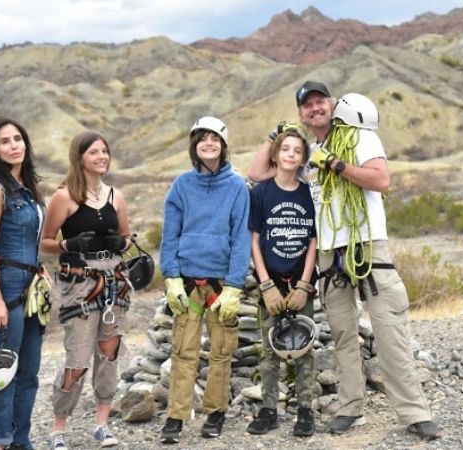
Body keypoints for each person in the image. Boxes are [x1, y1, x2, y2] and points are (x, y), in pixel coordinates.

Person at [247, 81, 443, 441]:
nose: (315, 108)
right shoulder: (306, 153)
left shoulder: (358, 136)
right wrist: (273, 135)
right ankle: (351, 408)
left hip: (366, 245)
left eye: (321, 101)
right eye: (307, 105)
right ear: (301, 113)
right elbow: (258, 175)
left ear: (332, 104)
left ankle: (415, 413)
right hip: (329, 254)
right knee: (342, 334)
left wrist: (335, 164)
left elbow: (381, 179)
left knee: (388, 330)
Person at [158, 116, 251, 444]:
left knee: (221, 350)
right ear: (194, 146)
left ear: (224, 146)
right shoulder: (182, 186)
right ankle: (176, 417)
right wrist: (170, 277)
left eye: (215, 138)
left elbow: (241, 238)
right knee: (183, 350)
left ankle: (216, 412)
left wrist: (235, 286)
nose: (208, 143)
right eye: (202, 139)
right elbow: (170, 235)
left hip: (221, 282)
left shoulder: (237, 187)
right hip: (187, 280)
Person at [41, 131, 133, 450]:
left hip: (113, 283)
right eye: (94, 152)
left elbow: (128, 237)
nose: (101, 157)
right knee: (78, 356)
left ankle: (102, 425)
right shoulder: (63, 197)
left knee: (108, 353)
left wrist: (120, 243)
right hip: (78, 284)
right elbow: (45, 242)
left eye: (105, 151)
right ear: (79, 157)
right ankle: (58, 429)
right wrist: (68, 244)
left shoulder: (115, 196)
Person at [245, 127, 319, 437]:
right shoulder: (260, 194)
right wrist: (265, 284)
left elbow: (314, 240)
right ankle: (268, 410)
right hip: (272, 284)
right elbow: (254, 240)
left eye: (297, 151)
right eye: (285, 149)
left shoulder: (309, 194)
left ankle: (305, 410)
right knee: (270, 348)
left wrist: (304, 284)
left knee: (305, 348)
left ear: (303, 159)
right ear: (276, 154)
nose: (290, 154)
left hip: (300, 285)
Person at [0, 117, 45, 450]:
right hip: (6, 288)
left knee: (29, 373)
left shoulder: (29, 190)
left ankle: (21, 440)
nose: (14, 145)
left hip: (32, 288)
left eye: (18, 138)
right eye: (5, 141)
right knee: (2, 373)